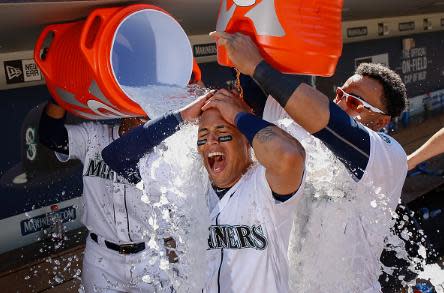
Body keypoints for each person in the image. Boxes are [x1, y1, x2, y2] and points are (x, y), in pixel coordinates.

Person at [209, 31, 408, 292]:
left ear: (382, 121)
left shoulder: (388, 155)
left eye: (354, 101)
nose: (340, 103)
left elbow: (335, 124)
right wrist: (244, 37)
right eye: (340, 94)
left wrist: (257, 66)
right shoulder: (308, 135)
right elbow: (259, 95)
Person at [102, 89, 306, 293]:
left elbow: (290, 156)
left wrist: (239, 115)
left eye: (222, 131)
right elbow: (117, 157)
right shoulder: (189, 182)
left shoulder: (264, 184)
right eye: (203, 134)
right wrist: (180, 116)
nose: (211, 141)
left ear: (246, 140)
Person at [39, 99, 154, 292]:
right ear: (124, 107)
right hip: (101, 258)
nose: (145, 116)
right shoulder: (94, 136)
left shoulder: (163, 149)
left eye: (150, 111)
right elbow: (50, 135)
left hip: (150, 256)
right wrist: (60, 92)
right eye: (139, 107)